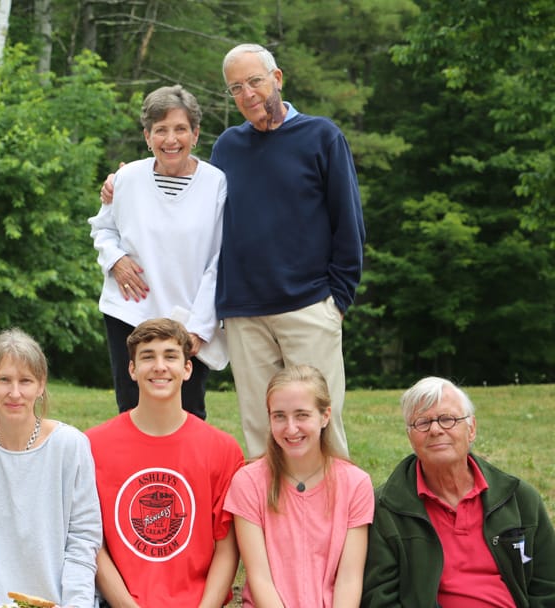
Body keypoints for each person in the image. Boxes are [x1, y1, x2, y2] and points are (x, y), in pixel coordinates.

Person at [101, 43, 364, 458]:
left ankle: (335, 518)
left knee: (318, 422)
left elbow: (348, 223)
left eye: (255, 81)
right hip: (244, 312)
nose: (249, 93)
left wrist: (338, 299)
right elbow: (183, 186)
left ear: (277, 79)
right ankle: (268, 519)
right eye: (236, 87)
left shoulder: (322, 137)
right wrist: (121, 180)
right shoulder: (228, 148)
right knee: (261, 429)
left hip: (309, 304)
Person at [362, 377, 555, 607]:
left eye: (447, 419)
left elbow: (554, 590)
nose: (435, 430)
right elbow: (379, 599)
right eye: (422, 423)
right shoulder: (384, 509)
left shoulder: (519, 499)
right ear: (410, 437)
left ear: (471, 429)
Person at [88, 85, 226, 421]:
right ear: (147, 136)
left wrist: (199, 328)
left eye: (180, 129)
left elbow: (220, 261)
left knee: (188, 412)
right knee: (131, 410)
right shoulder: (127, 178)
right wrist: (115, 260)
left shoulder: (216, 184)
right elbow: (103, 229)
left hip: (189, 320)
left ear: (195, 134)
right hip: (130, 312)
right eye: (160, 130)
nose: (171, 139)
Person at [86, 318, 244, 608]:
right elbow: (92, 543)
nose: (159, 366)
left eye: (170, 356)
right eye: (148, 357)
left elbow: (228, 545)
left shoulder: (223, 449)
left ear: (187, 368)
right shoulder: (92, 446)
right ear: (132, 369)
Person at [0, 328, 101, 608]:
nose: (14, 393)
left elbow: (83, 539)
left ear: (40, 386)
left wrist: (76, 604)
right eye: (4, 380)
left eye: (25, 381)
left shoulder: (70, 445)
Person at [224, 365, 373, 607]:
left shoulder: (355, 484)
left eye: (302, 415)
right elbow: (260, 577)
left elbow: (349, 579)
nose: (290, 428)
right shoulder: (248, 482)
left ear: (325, 416)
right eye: (279, 416)